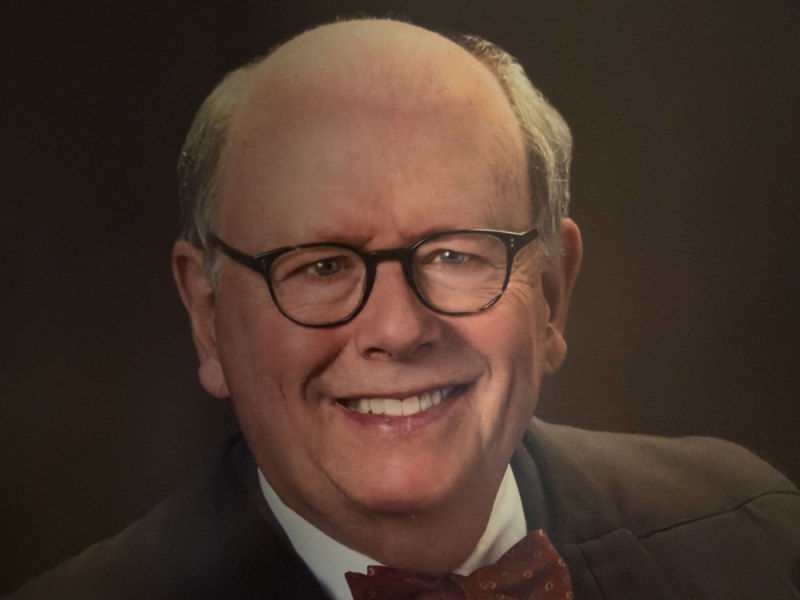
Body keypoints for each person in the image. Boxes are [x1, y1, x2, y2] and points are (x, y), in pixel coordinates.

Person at [9, 18, 799, 600]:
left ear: (552, 296)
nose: (395, 328)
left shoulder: (755, 538)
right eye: (319, 265)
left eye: (455, 254)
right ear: (208, 317)